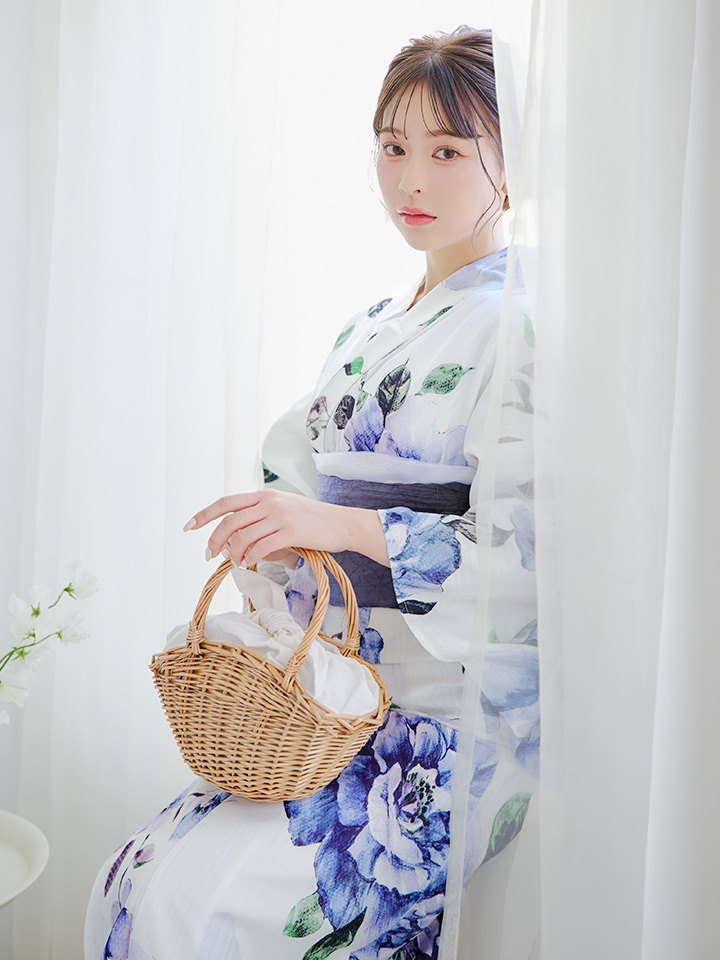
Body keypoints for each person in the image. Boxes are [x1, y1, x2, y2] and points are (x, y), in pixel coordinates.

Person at [85, 26, 539, 960]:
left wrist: (337, 523)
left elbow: (525, 560)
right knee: (134, 880)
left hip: (440, 717)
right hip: (325, 705)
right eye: (394, 147)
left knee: (205, 914)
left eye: (448, 151)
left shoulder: (521, 327)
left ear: (512, 162)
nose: (411, 180)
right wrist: (281, 537)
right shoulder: (368, 330)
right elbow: (295, 476)